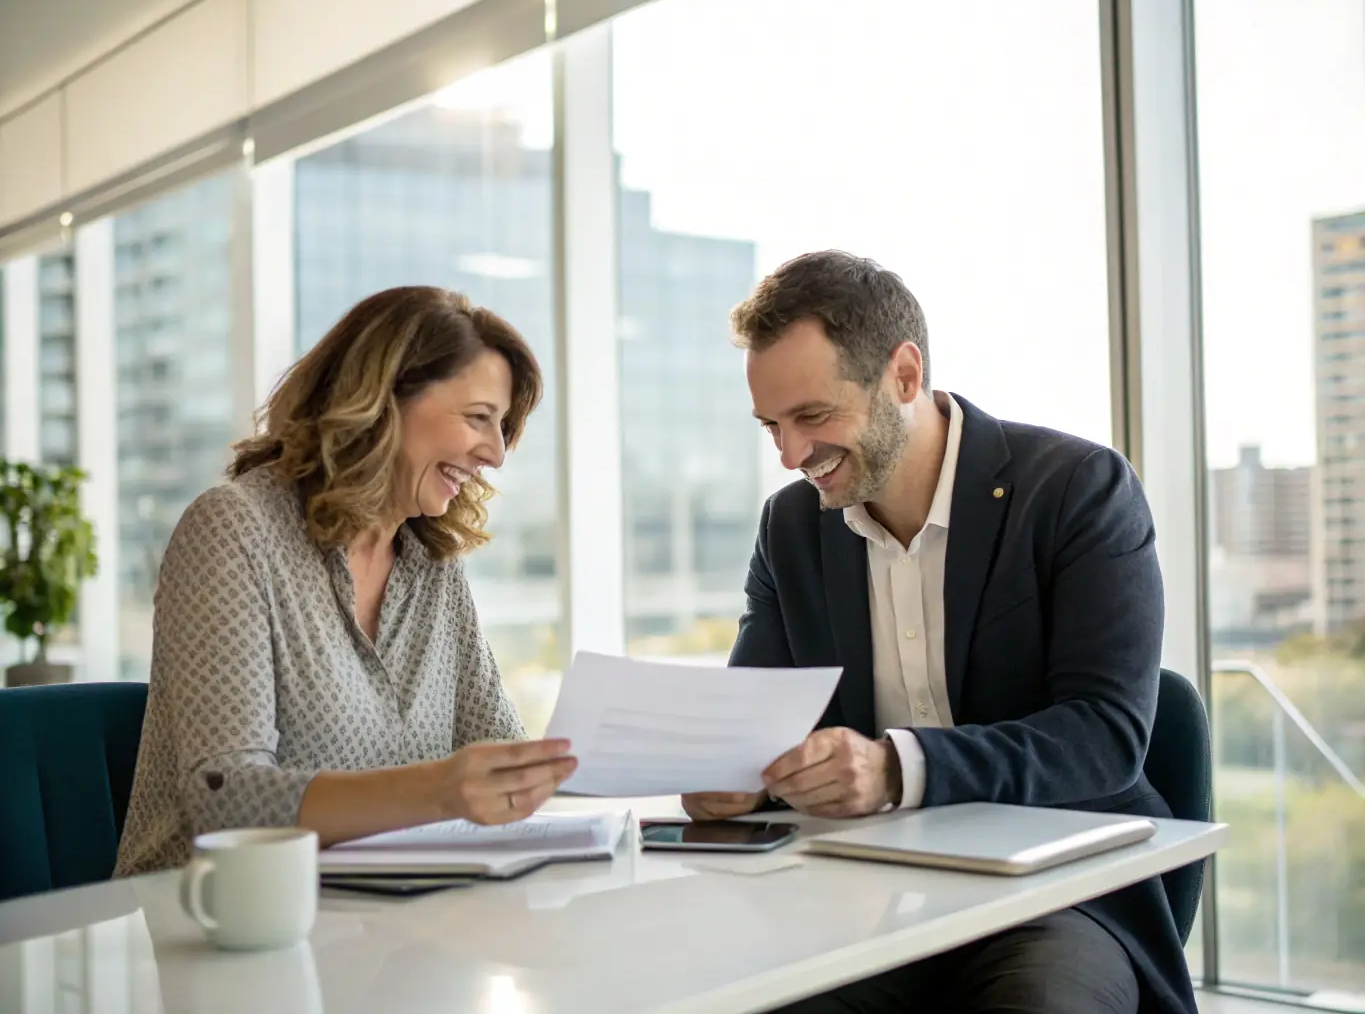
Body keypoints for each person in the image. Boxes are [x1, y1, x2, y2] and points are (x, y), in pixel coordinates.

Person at [682, 251, 1194, 1014]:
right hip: (861, 890)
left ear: (904, 374)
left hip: (1052, 892)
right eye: (771, 426)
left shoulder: (1077, 489)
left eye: (813, 417)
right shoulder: (791, 527)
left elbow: (1105, 733)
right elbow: (760, 715)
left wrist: (897, 769)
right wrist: (731, 772)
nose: (789, 456)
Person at [115, 287, 576, 877]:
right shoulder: (234, 530)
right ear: (383, 400)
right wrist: (439, 790)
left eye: (502, 425)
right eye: (479, 417)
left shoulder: (431, 565)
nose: (494, 453)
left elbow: (498, 763)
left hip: (378, 926)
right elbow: (225, 799)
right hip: (210, 925)